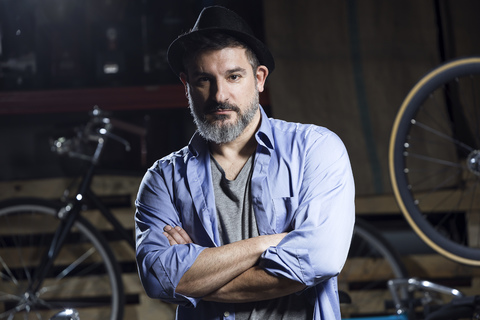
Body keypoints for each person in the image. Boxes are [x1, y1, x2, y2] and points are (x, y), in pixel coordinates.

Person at [135, 5, 355, 320]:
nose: (219, 95)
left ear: (259, 78)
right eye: (203, 80)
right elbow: (158, 279)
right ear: (187, 85)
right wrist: (273, 243)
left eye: (234, 76)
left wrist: (194, 273)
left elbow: (321, 258)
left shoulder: (315, 150)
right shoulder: (163, 180)